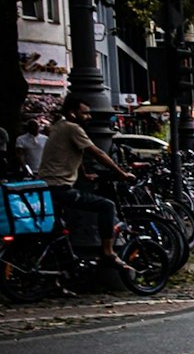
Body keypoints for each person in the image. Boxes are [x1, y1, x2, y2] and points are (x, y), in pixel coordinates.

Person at [36, 94, 138, 279]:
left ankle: (59, 278)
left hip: (47, 186)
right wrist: (121, 173)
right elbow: (97, 152)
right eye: (85, 113)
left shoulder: (59, 126)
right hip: (59, 187)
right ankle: (107, 251)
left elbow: (72, 153)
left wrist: (83, 174)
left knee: (58, 233)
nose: (89, 117)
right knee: (106, 206)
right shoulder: (73, 128)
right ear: (72, 113)